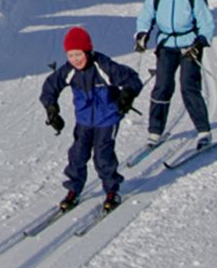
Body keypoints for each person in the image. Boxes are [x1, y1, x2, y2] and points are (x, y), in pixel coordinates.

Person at [40, 26, 143, 213]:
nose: (75, 60)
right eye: (71, 55)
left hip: (108, 119)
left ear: (88, 51)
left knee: (103, 156)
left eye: (78, 54)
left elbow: (132, 79)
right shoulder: (69, 70)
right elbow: (50, 87)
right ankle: (74, 189)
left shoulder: (104, 66)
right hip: (84, 120)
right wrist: (52, 109)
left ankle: (112, 190)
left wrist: (127, 94)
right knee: (77, 155)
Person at [134, 0, 215, 150]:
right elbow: (145, 18)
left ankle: (204, 131)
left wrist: (201, 41)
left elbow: (206, 22)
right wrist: (142, 34)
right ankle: (155, 131)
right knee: (162, 86)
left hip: (189, 45)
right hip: (167, 45)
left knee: (189, 86)